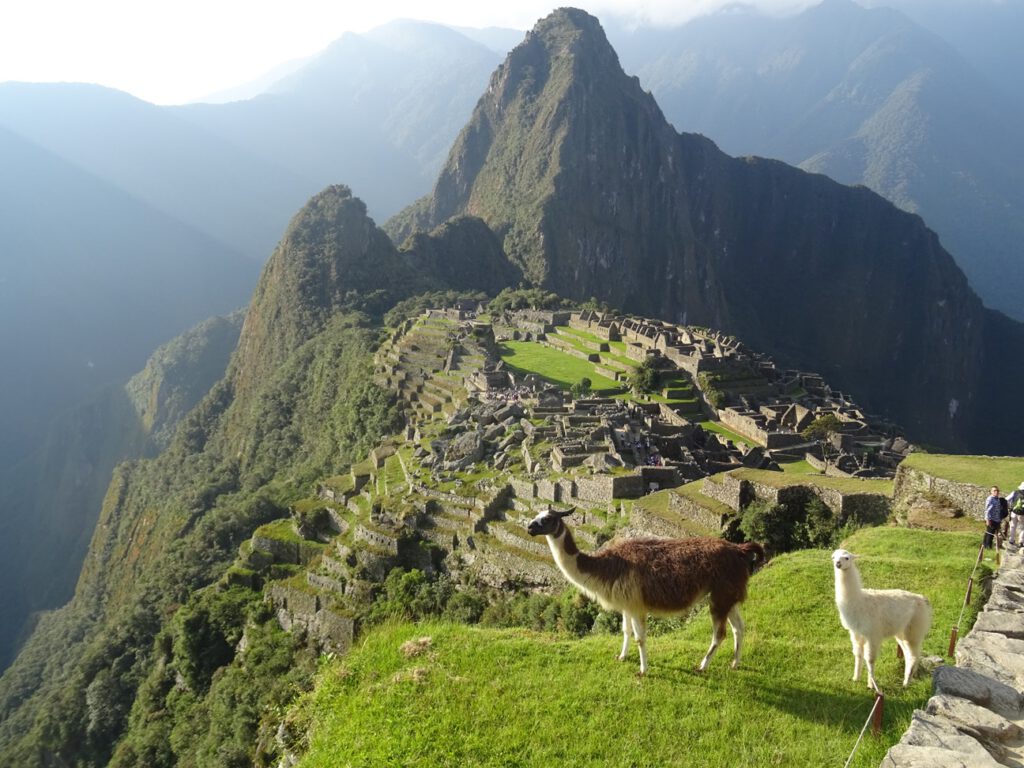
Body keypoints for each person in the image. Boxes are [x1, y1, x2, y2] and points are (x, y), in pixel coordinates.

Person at [1007, 482, 1024, 549]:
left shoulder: (1015, 492)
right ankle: (1021, 541)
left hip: (1014, 512)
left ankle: (1011, 540)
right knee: (1023, 528)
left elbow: (1006, 499)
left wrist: (1010, 506)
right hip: (1022, 514)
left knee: (1013, 526)